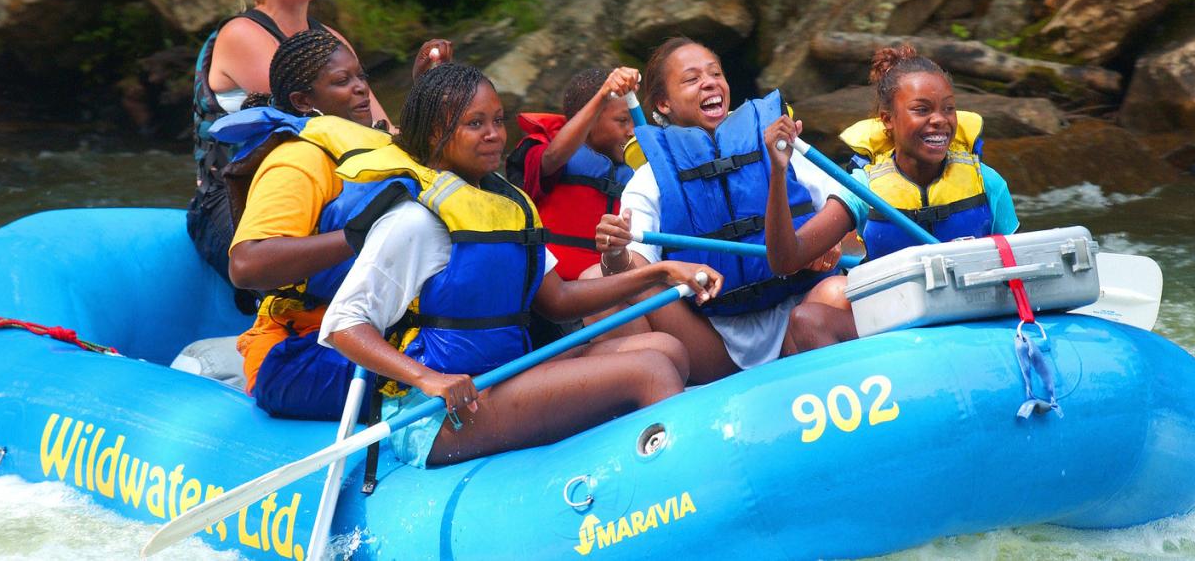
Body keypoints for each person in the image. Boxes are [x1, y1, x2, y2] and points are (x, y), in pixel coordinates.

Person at [318, 62, 721, 466]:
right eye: (475, 124)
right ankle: (688, 481)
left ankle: (638, 462)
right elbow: (343, 324)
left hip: (505, 374)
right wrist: (429, 379)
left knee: (667, 348)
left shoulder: (507, 207)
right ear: (438, 134)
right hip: (437, 413)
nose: (494, 134)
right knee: (649, 370)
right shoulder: (415, 219)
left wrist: (659, 273)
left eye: (497, 120)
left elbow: (559, 299)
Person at [186, 0, 450, 293]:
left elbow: (381, 131)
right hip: (231, 202)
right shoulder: (241, 33)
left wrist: (424, 87)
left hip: (318, 187)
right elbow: (325, 121)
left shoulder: (328, 38)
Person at [594, 38, 846, 384]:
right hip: (712, 342)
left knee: (835, 292)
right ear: (663, 104)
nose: (710, 82)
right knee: (603, 279)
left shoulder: (776, 141)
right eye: (692, 79)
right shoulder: (650, 177)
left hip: (798, 315)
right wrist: (617, 252)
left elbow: (845, 205)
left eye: (715, 73)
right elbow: (630, 268)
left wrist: (826, 239)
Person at [763, 43, 1020, 351]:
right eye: (922, 110)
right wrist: (778, 174)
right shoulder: (864, 188)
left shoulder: (986, 182)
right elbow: (785, 260)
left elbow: (1023, 268)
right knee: (808, 320)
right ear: (887, 119)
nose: (940, 120)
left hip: (971, 326)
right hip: (891, 334)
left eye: (948, 108)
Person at [221, 29, 397, 418]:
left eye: (361, 77)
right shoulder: (300, 159)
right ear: (303, 101)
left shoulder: (375, 152)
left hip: (369, 333)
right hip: (297, 347)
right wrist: (360, 236)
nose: (361, 90)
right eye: (342, 81)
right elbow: (247, 264)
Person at [507, 67, 639, 281]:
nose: (633, 130)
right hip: (549, 293)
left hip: (609, 288)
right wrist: (603, 95)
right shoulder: (543, 152)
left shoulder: (640, 170)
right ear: (588, 119)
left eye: (634, 120)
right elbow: (552, 159)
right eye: (623, 120)